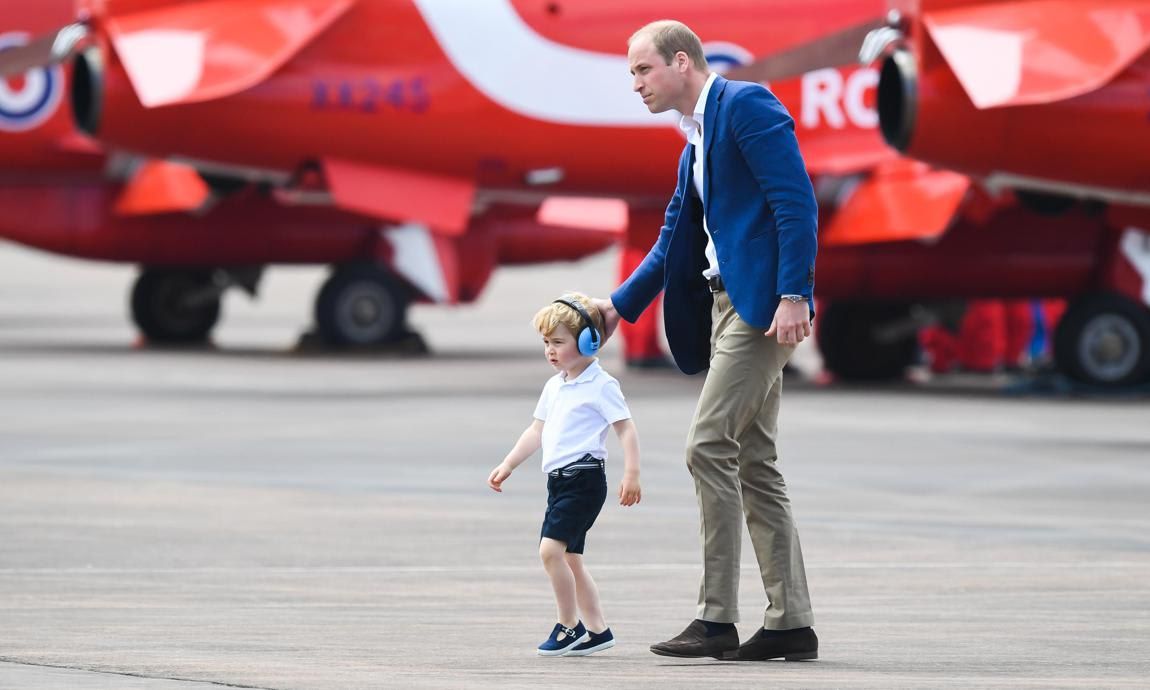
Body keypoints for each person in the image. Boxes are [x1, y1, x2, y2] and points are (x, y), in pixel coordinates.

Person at [592, 20, 819, 662]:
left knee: (706, 444)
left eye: (643, 70)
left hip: (763, 309)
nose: (635, 84)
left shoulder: (745, 106)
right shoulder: (696, 140)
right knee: (754, 461)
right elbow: (672, 237)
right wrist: (617, 307)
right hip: (726, 304)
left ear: (682, 62)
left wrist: (795, 293)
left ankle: (716, 617)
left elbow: (795, 202)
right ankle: (790, 624)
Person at [487, 292, 642, 657]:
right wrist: (508, 464)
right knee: (570, 558)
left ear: (589, 340)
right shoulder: (555, 386)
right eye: (546, 343)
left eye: (558, 342)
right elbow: (536, 431)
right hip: (558, 481)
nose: (550, 351)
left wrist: (632, 473)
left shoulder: (601, 385)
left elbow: (626, 429)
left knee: (549, 551)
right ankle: (598, 630)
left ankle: (568, 625)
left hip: (584, 480)